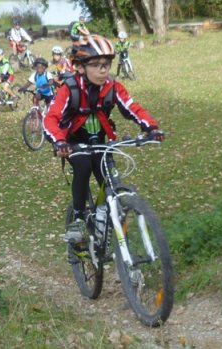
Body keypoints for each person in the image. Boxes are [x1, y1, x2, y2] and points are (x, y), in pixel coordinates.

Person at [42, 35, 165, 243]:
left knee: (107, 179)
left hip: (100, 142)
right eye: (96, 65)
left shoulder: (112, 87)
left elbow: (132, 108)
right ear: (80, 67)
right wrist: (60, 142)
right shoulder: (69, 88)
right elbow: (50, 119)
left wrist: (151, 127)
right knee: (82, 166)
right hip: (73, 143)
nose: (103, 70)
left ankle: (111, 232)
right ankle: (79, 218)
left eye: (107, 65)